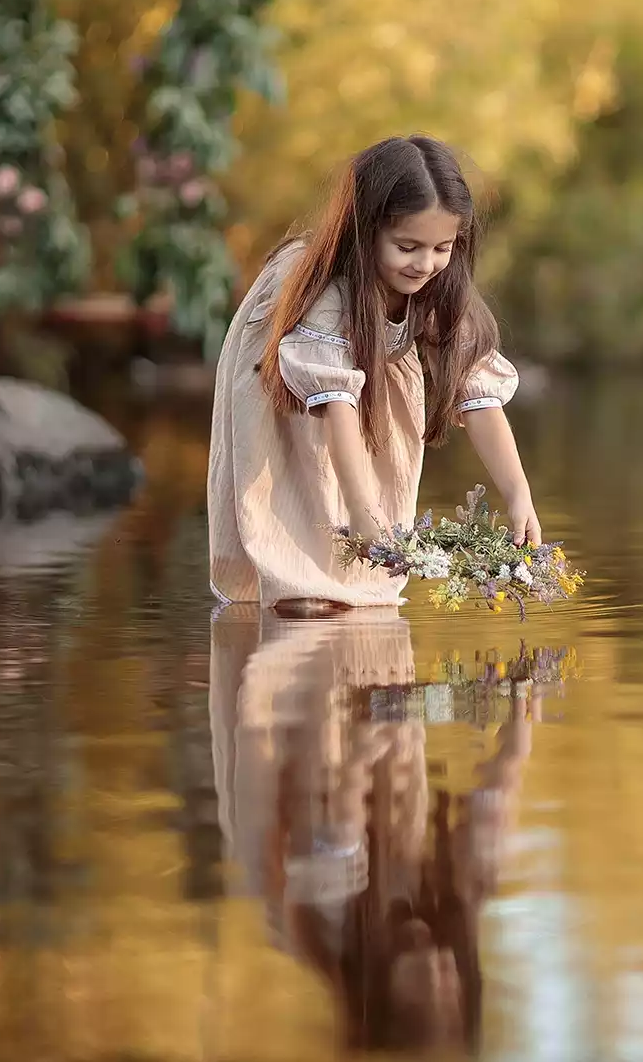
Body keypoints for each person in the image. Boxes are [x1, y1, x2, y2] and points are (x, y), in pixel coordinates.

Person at [206, 134, 542, 613]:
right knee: (301, 490)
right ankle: (297, 589)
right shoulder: (328, 293)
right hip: (288, 392)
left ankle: (354, 586)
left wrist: (518, 493)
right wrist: (362, 512)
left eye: (442, 247)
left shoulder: (438, 286)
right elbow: (336, 405)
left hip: (363, 387)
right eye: (407, 246)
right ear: (367, 231)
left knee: (370, 533)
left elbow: (480, 398)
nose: (424, 264)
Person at [209, 604, 541, 1055]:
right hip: (377, 778)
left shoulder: (327, 927)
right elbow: (492, 805)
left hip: (297, 772)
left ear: (383, 995)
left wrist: (368, 743)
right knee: (372, 646)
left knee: (307, 634)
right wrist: (519, 725)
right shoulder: (459, 916)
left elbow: (340, 808)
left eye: (423, 995)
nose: (441, 973)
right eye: (453, 989)